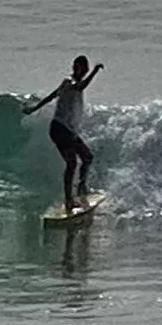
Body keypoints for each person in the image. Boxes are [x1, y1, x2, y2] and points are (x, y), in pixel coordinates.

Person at [24, 54, 103, 211]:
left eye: (86, 68)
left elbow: (51, 97)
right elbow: (79, 87)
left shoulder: (68, 84)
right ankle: (69, 200)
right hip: (60, 129)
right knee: (72, 163)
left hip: (68, 130)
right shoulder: (69, 82)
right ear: (77, 67)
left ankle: (80, 188)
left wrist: (33, 108)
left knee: (87, 157)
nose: (85, 71)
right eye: (83, 68)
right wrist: (95, 72)